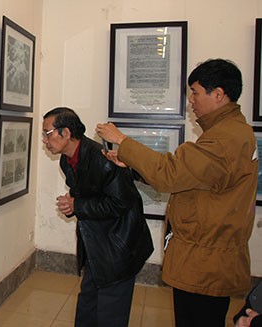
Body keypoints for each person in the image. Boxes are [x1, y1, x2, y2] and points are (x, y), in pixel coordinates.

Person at [96, 58, 258, 327]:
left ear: (218, 94)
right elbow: (188, 177)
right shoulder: (230, 132)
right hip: (205, 258)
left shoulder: (224, 139)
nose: (191, 101)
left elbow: (169, 174)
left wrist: (123, 141)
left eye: (195, 92)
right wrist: (134, 165)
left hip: (206, 263)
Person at [42, 107, 153, 327]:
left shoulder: (103, 158)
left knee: (110, 313)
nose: (45, 140)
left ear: (65, 132)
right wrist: (73, 205)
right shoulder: (67, 160)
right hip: (96, 244)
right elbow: (90, 195)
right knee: (87, 307)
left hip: (119, 246)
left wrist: (78, 205)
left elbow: (121, 203)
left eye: (48, 133)